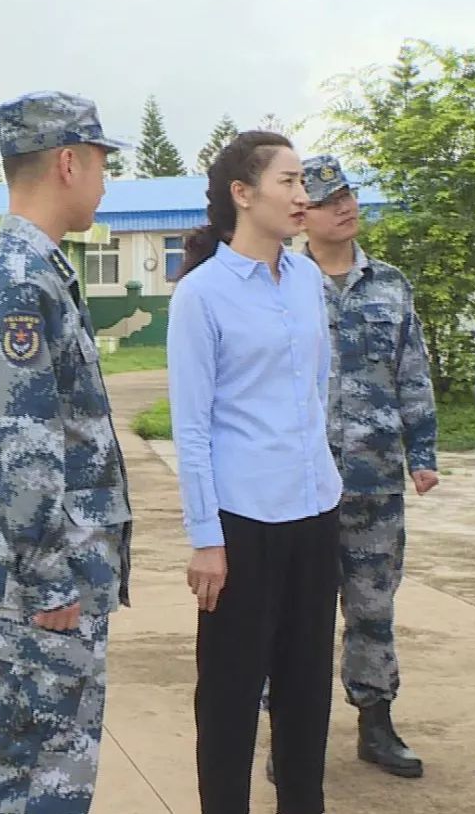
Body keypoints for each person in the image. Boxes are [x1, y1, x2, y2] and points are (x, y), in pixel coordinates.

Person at [0, 91, 133, 814]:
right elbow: (18, 445)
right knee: (45, 779)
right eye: (99, 163)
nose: (103, 181)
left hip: (49, 577)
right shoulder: (21, 279)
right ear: (67, 162)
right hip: (47, 585)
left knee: (25, 772)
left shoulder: (35, 269)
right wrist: (53, 578)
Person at [167, 132, 343, 814]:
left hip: (314, 511)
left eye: (305, 183)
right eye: (289, 182)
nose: (304, 196)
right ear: (243, 195)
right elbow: (192, 425)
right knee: (231, 699)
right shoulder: (203, 294)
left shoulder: (305, 280)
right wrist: (205, 537)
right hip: (242, 523)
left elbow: (315, 394)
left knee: (307, 692)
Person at [289, 154, 438, 779]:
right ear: (303, 215)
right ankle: (291, 738)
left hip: (375, 480)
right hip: (299, 484)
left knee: (373, 608)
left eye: (347, 194)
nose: (344, 207)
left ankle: (376, 725)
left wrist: (423, 453)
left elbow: (412, 373)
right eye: (327, 201)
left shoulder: (391, 286)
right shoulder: (283, 281)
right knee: (297, 614)